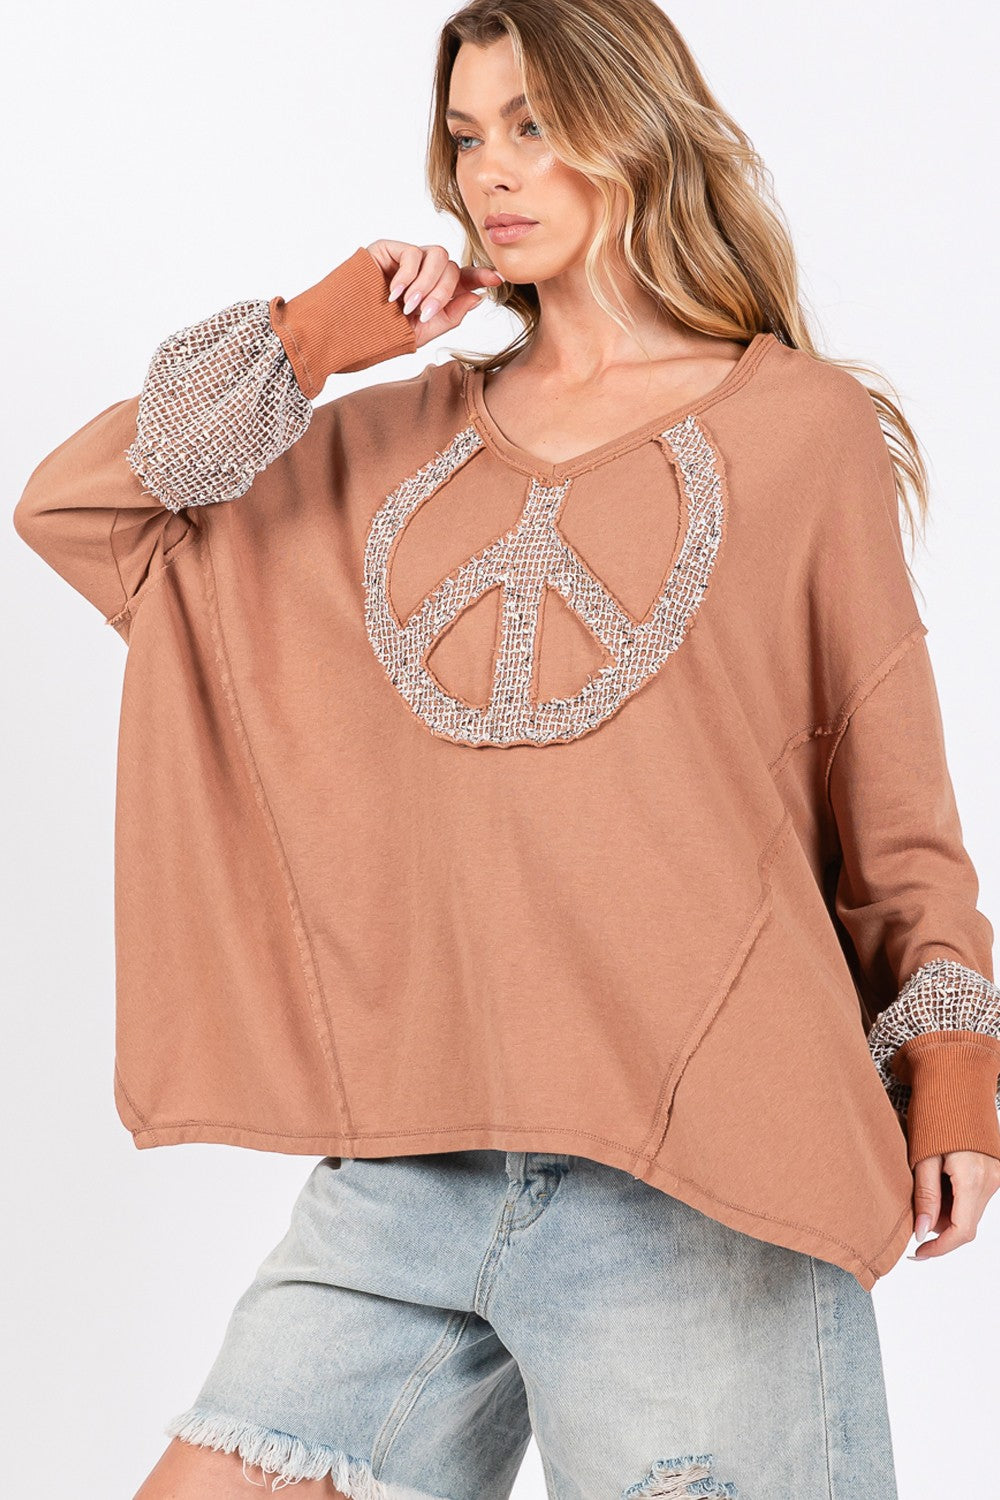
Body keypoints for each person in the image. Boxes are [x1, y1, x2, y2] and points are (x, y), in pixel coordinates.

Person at [12, 2, 1000, 1497]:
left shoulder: (803, 429)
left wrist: (955, 1070)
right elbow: (83, 510)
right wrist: (310, 339)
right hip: (410, 1165)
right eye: (467, 136)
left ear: (638, 130)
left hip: (705, 1173)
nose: (490, 171)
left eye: (535, 125)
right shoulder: (388, 444)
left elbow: (893, 801)